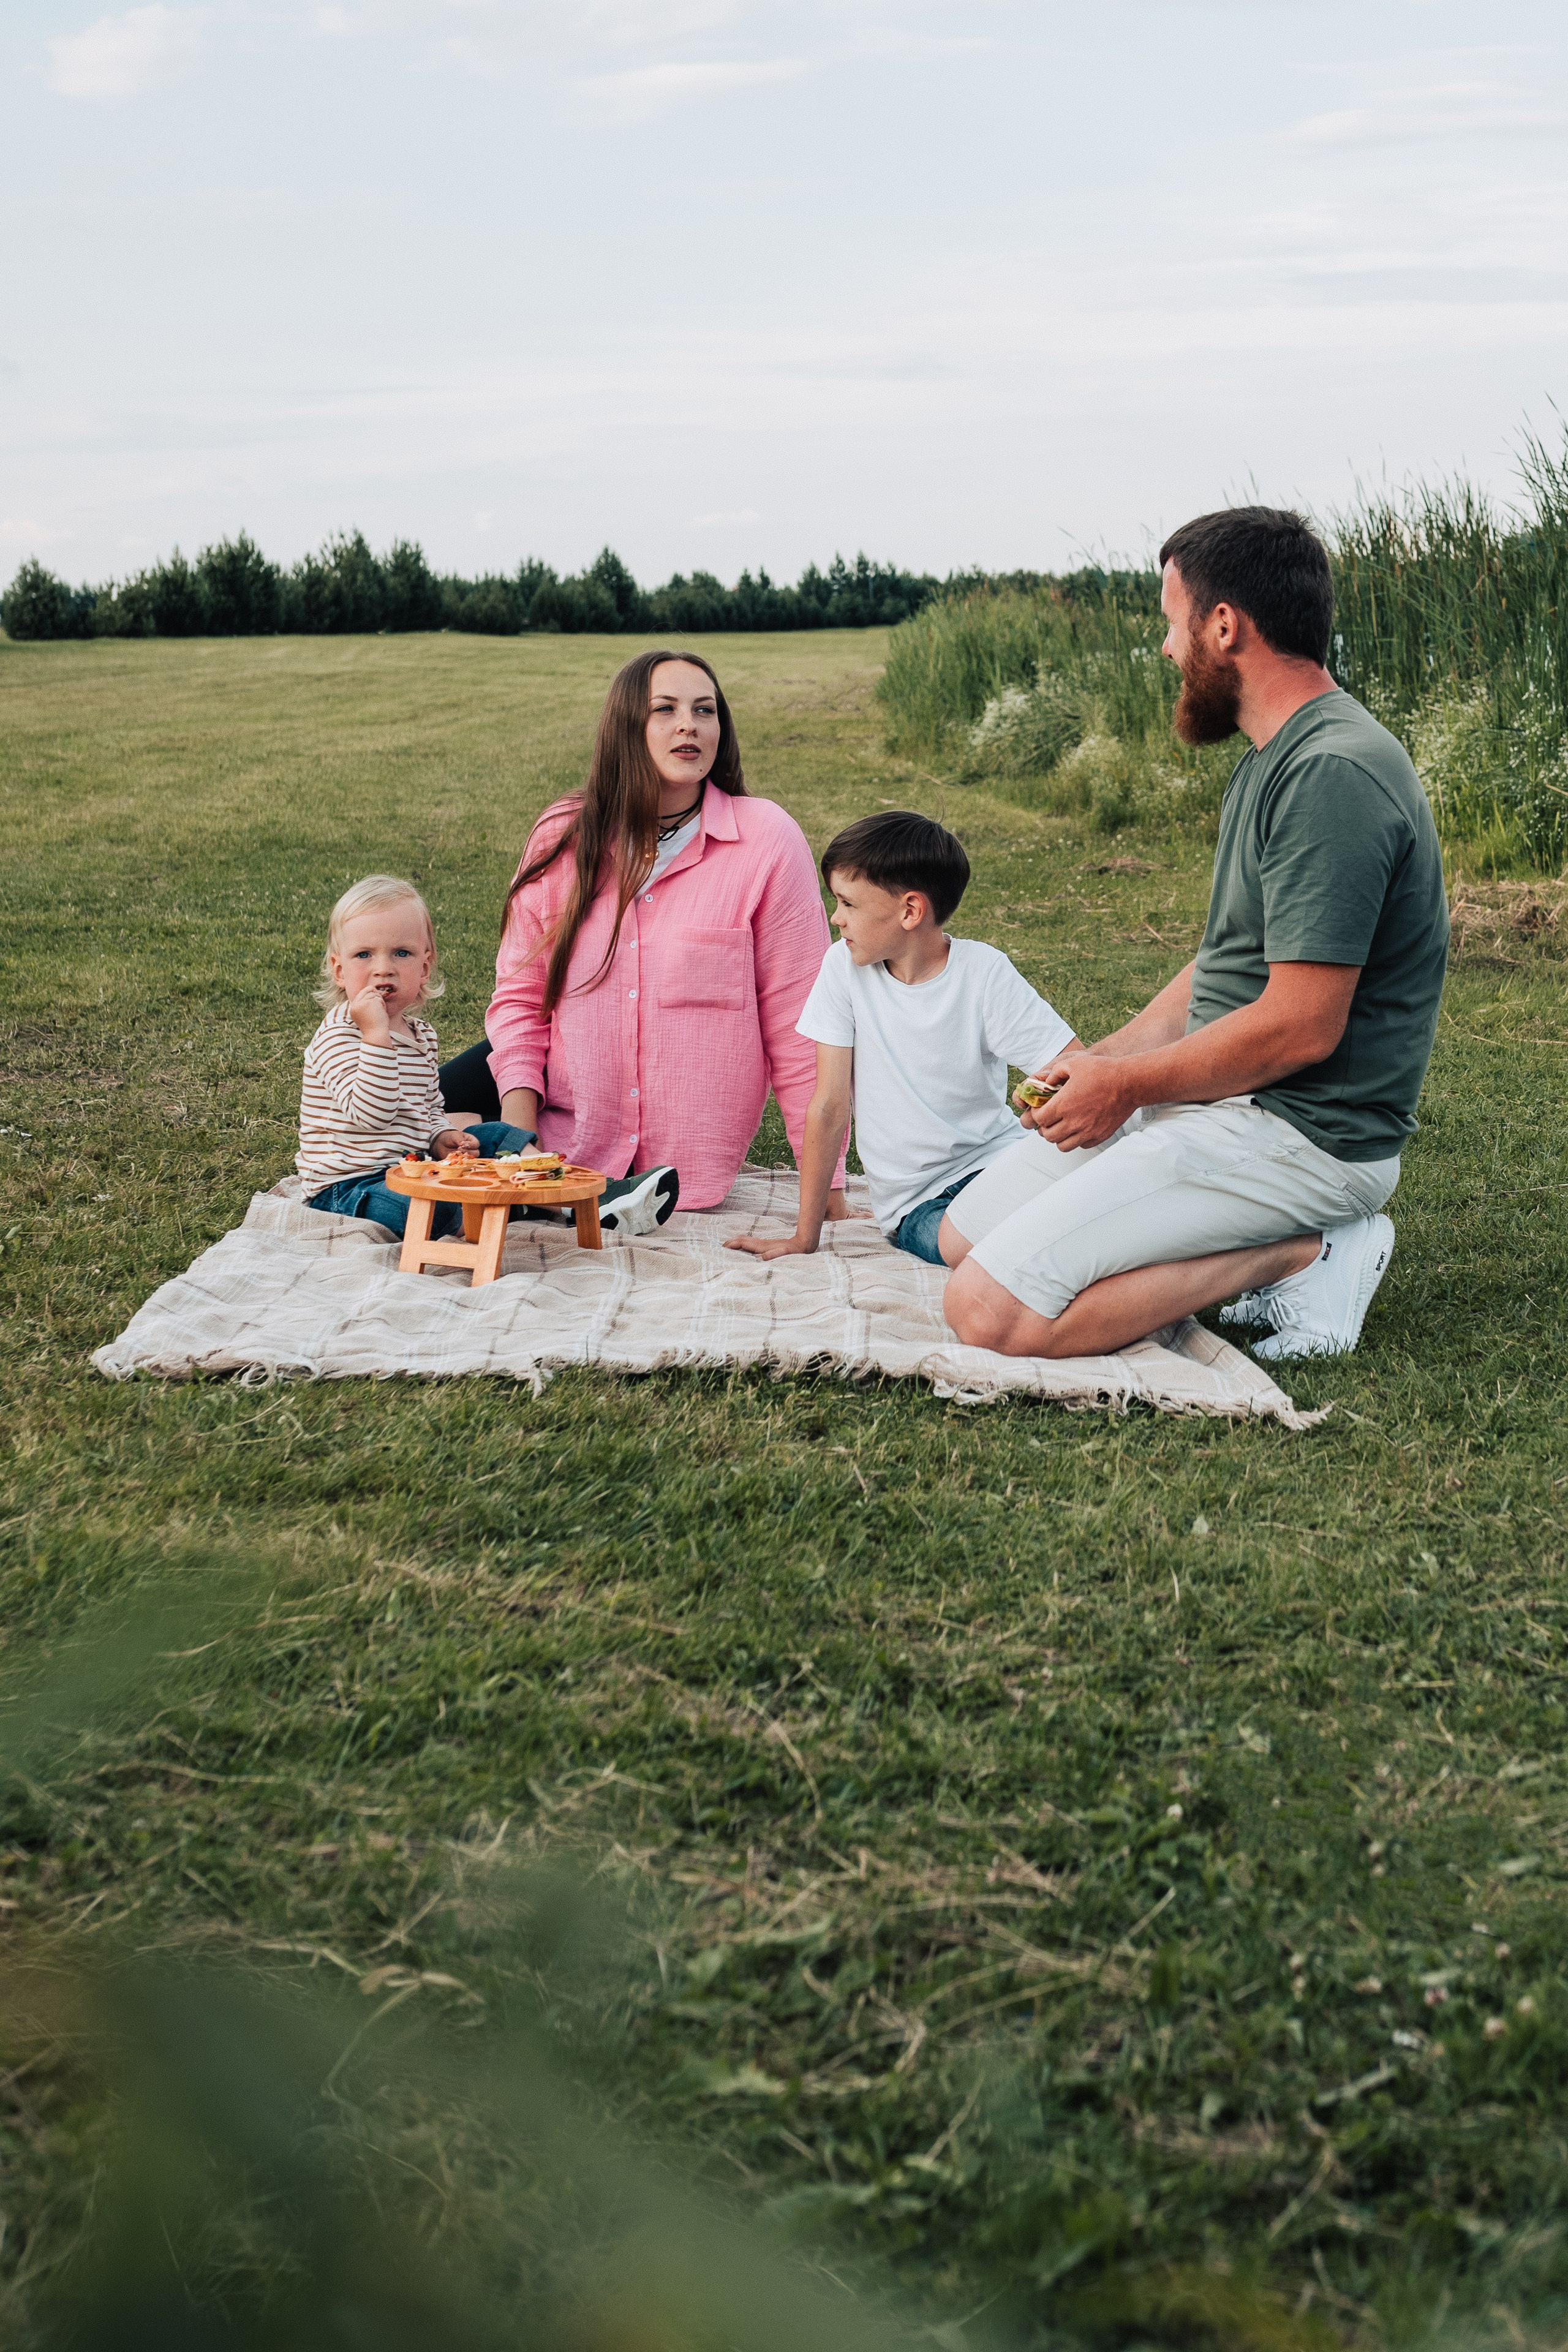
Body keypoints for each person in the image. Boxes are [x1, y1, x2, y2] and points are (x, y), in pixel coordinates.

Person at [941, 505, 1450, 1363]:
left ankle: (1312, 1252)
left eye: (1172, 624)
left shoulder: (1332, 774)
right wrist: (1104, 1064)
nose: (1168, 649)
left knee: (989, 1311)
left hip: (1303, 1134)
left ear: (1224, 625)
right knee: (966, 1235)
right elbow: (1223, 965)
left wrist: (1131, 1090)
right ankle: (1241, 1241)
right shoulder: (1270, 758)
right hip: (1225, 1101)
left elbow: (1302, 1023)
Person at [439, 649, 850, 1215]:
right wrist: (520, 1149)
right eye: (666, 709)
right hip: (561, 1136)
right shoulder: (563, 835)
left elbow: (799, 1025)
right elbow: (522, 1000)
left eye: (705, 710)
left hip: (690, 1171)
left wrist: (827, 1194)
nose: (690, 724)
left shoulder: (766, 840)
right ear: (626, 728)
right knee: (408, 1126)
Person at [726, 810, 1083, 1264]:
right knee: (972, 1247)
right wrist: (804, 1236)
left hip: (1003, 1167)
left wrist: (1046, 1093)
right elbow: (830, 1106)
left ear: (911, 911)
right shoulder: (842, 970)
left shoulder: (984, 972)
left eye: (849, 904)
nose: (837, 919)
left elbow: (1074, 1066)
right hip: (920, 1205)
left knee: (1101, 1165)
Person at [299, 875, 674, 1240]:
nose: (384, 968)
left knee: (499, 1135)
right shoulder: (340, 1036)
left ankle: (587, 1198)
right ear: (339, 970)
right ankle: (508, 1208)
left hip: (414, 1166)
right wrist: (376, 1036)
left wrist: (439, 1135)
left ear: (425, 967)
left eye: (402, 953)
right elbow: (372, 1114)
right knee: (421, 1208)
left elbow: (429, 1106)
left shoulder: (421, 1037)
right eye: (364, 955)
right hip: (349, 1186)